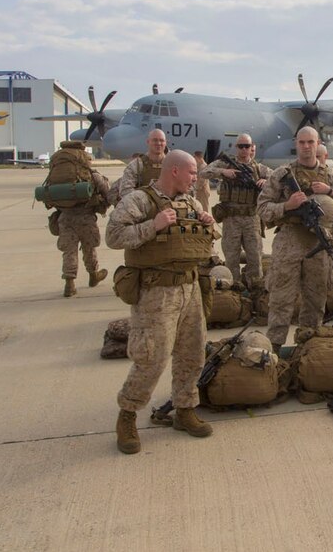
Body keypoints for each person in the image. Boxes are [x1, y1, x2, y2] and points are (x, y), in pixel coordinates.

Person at [107, 150, 218, 455]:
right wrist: (152, 226)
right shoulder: (140, 201)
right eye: (192, 172)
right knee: (152, 357)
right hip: (157, 292)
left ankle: (185, 409)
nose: (195, 178)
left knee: (192, 353)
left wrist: (208, 222)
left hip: (190, 287)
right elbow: (114, 236)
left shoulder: (190, 201)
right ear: (174, 171)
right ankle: (127, 415)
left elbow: (209, 236)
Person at [257, 127, 333, 348]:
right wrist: (287, 206)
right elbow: (262, 208)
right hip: (289, 240)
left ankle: (308, 349)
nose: (306, 147)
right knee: (281, 299)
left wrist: (330, 192)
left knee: (316, 299)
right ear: (296, 143)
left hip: (319, 244)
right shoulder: (281, 174)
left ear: (318, 143)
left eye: (310, 142)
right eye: (302, 142)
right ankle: (274, 350)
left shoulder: (332, 176)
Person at [198, 134, 270, 287]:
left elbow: (278, 178)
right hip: (231, 219)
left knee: (255, 258)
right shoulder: (226, 164)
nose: (244, 149)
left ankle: (255, 291)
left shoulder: (258, 168)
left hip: (252, 219)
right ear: (236, 147)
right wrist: (223, 172)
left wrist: (266, 181)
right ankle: (234, 291)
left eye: (247, 146)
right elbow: (204, 172)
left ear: (252, 148)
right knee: (231, 258)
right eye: (240, 146)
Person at [50, 141, 112, 297]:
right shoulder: (90, 174)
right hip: (85, 217)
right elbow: (108, 191)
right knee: (89, 247)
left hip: (64, 216)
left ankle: (69, 283)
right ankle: (93, 275)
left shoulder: (56, 172)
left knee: (69, 251)